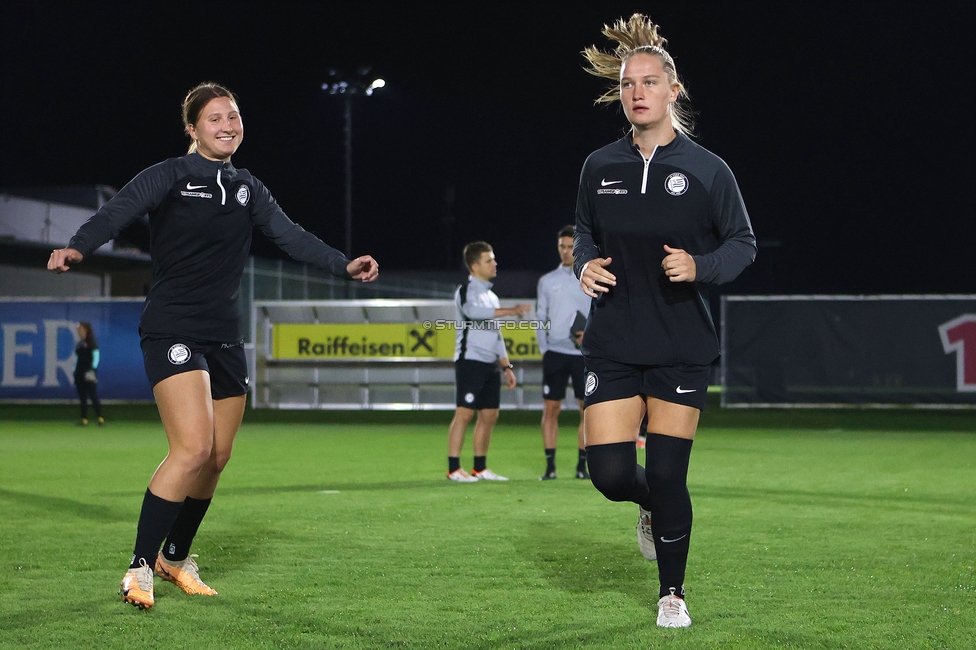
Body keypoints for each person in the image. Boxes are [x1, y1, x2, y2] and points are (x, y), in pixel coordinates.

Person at [48, 82, 379, 610]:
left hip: (224, 334)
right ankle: (138, 568)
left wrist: (343, 263)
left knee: (217, 457)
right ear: (193, 128)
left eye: (234, 117)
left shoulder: (248, 187)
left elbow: (290, 235)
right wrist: (78, 246)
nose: (228, 126)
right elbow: (118, 212)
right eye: (215, 118)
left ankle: (175, 558)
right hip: (172, 327)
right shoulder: (170, 175)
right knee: (192, 448)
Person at [575, 15, 756, 628]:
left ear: (672, 90)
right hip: (614, 340)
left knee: (671, 471)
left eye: (649, 82)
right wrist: (584, 265)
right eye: (628, 84)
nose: (637, 93)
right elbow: (583, 233)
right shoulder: (599, 166)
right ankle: (653, 509)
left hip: (682, 343)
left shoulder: (708, 170)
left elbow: (743, 244)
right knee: (611, 473)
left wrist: (700, 265)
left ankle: (671, 594)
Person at [447, 241, 531, 482]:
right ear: (474, 266)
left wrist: (506, 366)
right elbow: (472, 312)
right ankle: (454, 469)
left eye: (493, 259)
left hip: (490, 365)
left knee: (489, 415)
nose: (495, 264)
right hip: (469, 361)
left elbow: (496, 334)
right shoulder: (465, 291)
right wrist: (511, 310)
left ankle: (480, 468)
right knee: (464, 414)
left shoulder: (492, 296)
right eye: (489, 260)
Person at [534, 225, 591, 481]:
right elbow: (540, 318)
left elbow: (601, 313)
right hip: (555, 354)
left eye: (571, 247)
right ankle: (550, 466)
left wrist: (589, 335)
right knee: (551, 409)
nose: (566, 252)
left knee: (586, 411)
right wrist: (544, 349)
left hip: (584, 355)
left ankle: (582, 466)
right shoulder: (547, 281)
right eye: (562, 247)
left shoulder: (590, 277)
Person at [74, 321, 104, 426]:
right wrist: (75, 371)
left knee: (93, 395)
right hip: (79, 373)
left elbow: (96, 356)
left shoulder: (92, 342)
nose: (78, 331)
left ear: (86, 330)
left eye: (80, 329)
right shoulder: (79, 344)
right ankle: (84, 419)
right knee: (82, 397)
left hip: (89, 373)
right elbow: (77, 359)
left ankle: (100, 418)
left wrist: (92, 369)